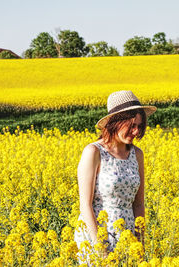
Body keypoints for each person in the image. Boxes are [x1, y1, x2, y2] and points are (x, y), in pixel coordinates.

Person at [74, 90, 157, 264]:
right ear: (115, 123)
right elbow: (85, 205)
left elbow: (139, 203)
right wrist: (100, 249)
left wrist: (140, 245)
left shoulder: (137, 154)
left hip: (126, 237)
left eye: (140, 127)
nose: (136, 131)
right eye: (131, 125)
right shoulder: (94, 152)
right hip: (96, 235)